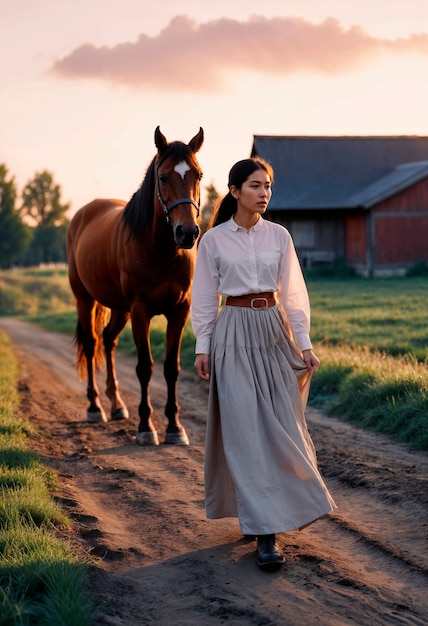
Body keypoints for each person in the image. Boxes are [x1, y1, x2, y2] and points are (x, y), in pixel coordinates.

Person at [190, 157, 336, 572]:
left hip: (273, 332)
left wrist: (304, 344)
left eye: (268, 186)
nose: (264, 193)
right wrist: (203, 347)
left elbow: (293, 294)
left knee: (281, 426)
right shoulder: (213, 241)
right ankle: (265, 533)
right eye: (255, 186)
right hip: (232, 332)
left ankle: (264, 512)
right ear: (234, 191)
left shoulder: (280, 237)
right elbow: (203, 299)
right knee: (245, 430)